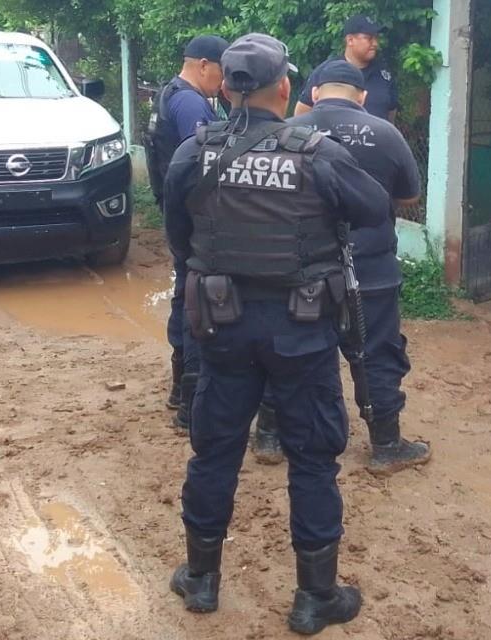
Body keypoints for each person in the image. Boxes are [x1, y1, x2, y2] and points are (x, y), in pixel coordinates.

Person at [164, 34, 390, 635]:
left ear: (228, 87)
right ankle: (316, 599)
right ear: (286, 87)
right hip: (303, 329)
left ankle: (201, 580)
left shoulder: (194, 151)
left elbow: (179, 240)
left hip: (223, 326)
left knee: (214, 451)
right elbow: (375, 211)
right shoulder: (319, 153)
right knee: (312, 461)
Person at [250, 60, 430, 474]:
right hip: (371, 267)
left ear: (313, 93)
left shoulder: (286, 133)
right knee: (377, 351)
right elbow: (407, 199)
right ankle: (386, 444)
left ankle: (269, 436)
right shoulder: (386, 134)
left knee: (288, 347)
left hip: (300, 267)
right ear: (363, 97)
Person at [144, 34, 229, 431]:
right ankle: (189, 395)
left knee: (186, 295)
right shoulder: (191, 103)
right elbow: (199, 166)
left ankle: (181, 386)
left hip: (179, 214)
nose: (224, 80)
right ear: (204, 65)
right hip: (195, 218)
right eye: (222, 71)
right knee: (197, 300)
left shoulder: (171, 93)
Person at [293, 15, 399, 122]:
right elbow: (302, 113)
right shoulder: (326, 72)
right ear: (350, 40)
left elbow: (391, 113)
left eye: (376, 38)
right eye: (369, 38)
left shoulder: (384, 74)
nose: (375, 43)